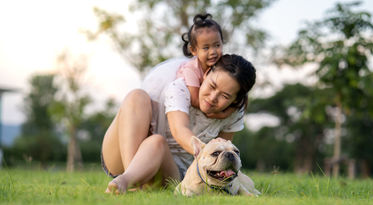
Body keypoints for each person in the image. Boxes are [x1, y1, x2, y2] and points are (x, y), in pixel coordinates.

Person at [101, 54, 256, 194]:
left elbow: (223, 152)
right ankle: (129, 179)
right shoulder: (180, 88)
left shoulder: (234, 113)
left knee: (157, 142)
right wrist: (204, 149)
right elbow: (179, 130)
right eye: (212, 86)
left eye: (225, 96)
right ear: (207, 74)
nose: (213, 97)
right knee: (136, 96)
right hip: (123, 156)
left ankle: (128, 182)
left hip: (171, 170)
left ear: (235, 100)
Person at [177, 13, 235, 119]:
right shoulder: (191, 69)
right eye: (206, 48)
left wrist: (232, 109)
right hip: (182, 104)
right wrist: (220, 114)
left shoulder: (222, 65)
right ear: (194, 50)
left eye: (217, 45)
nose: (213, 52)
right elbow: (195, 100)